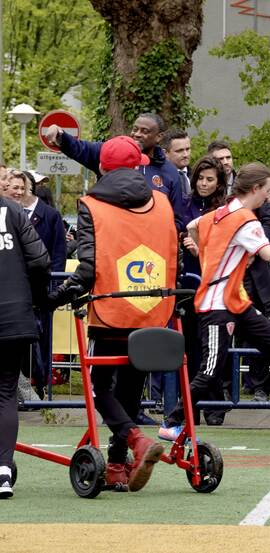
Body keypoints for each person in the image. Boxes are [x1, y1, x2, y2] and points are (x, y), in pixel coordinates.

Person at [47, 135, 173, 492]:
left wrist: (57, 297)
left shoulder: (91, 204)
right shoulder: (162, 203)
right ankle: (118, 464)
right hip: (151, 309)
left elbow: (87, 268)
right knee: (131, 388)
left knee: (101, 388)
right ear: (138, 167)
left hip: (109, 310)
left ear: (102, 167)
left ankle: (134, 441)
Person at [159, 163, 270, 440]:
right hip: (217, 306)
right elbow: (268, 254)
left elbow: (193, 226)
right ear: (255, 189)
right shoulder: (246, 219)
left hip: (236, 302)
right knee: (210, 370)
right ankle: (172, 420)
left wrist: (207, 256)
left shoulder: (220, 212)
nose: (269, 195)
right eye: (267, 190)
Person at [44, 113, 185, 230]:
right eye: (135, 129)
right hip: (112, 237)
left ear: (159, 136)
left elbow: (177, 219)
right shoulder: (112, 152)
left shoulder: (170, 172)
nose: (137, 134)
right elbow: (81, 148)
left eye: (144, 131)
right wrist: (60, 136)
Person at [0, 190, 51, 498]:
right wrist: (32, 296)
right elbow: (41, 260)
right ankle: (3, 470)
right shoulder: (13, 211)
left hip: (14, 314)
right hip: (15, 315)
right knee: (5, 392)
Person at [179, 156, 229, 425]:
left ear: (219, 182)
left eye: (210, 179)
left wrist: (202, 249)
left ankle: (215, 405)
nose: (204, 184)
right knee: (190, 348)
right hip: (188, 284)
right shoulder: (185, 205)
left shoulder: (224, 209)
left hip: (215, 285)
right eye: (200, 178)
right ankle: (191, 407)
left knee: (213, 346)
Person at [18, 171, 67, 397]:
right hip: (16, 287)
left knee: (42, 335)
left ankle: (42, 382)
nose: (17, 192)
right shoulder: (10, 212)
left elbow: (58, 252)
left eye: (21, 187)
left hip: (42, 286)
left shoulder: (49, 215)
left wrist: (54, 284)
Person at [161, 129, 192, 197]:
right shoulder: (159, 179)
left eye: (188, 149)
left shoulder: (197, 175)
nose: (185, 155)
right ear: (165, 153)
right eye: (179, 151)